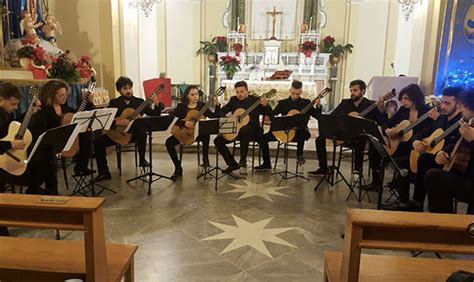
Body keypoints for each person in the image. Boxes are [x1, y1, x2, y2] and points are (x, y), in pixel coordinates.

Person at [395, 87, 464, 211]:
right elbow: (424, 132)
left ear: (459, 105)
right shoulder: (442, 118)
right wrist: (415, 141)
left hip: (447, 163)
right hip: (432, 158)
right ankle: (404, 199)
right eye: (442, 102)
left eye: (447, 103)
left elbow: (458, 145)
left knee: (424, 159)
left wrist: (444, 151)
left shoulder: (461, 123)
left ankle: (417, 202)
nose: (442, 106)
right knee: (402, 162)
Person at [28, 79, 94, 195]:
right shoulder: (43, 110)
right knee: (47, 159)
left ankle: (81, 167)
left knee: (86, 135)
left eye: (65, 94)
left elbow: (77, 114)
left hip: (62, 141)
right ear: (51, 95)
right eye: (61, 95)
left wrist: (88, 103)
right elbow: (40, 132)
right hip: (48, 144)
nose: (64, 97)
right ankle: (47, 190)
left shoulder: (64, 107)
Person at [94, 76, 164, 181]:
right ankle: (104, 172)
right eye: (125, 88)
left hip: (133, 136)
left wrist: (157, 103)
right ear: (119, 90)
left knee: (142, 128)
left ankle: (141, 159)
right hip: (117, 134)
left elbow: (155, 115)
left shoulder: (139, 102)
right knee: (97, 142)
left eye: (130, 88)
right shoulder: (114, 103)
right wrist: (118, 122)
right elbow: (106, 121)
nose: (128, 91)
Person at [310, 79, 386, 176]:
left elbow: (380, 120)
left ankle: (357, 169)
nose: (352, 93)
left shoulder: (370, 105)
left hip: (360, 137)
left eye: (355, 90)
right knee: (320, 140)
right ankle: (323, 168)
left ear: (363, 91)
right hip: (344, 134)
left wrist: (382, 110)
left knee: (360, 141)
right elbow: (332, 117)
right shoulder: (345, 103)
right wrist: (319, 107)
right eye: (351, 90)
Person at [426, 88, 474, 214]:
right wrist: (443, 152)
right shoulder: (469, 123)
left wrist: (473, 140)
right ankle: (445, 223)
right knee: (433, 176)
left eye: (464, 106)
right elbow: (455, 143)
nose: (461, 109)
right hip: (464, 174)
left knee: (434, 177)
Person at [255, 80, 321, 170]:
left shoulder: (306, 103)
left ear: (301, 92)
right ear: (290, 90)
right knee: (262, 139)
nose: (295, 96)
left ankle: (299, 155)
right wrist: (266, 105)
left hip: (298, 134)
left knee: (302, 131)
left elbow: (318, 116)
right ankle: (266, 163)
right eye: (293, 93)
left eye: (297, 94)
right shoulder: (283, 103)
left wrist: (318, 107)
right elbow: (272, 115)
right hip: (283, 132)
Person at [383, 84, 432, 203]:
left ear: (414, 98)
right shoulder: (403, 110)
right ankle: (402, 196)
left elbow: (429, 131)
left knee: (402, 163)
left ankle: (404, 199)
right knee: (386, 155)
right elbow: (387, 123)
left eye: (405, 98)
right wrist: (388, 130)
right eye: (401, 98)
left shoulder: (426, 112)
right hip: (400, 146)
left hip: (416, 148)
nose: (402, 101)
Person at [214, 80, 270, 174]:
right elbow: (221, 112)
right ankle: (232, 164)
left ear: (247, 91)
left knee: (245, 129)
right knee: (217, 140)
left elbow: (268, 113)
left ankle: (243, 160)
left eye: (242, 92)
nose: (239, 94)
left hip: (253, 130)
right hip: (236, 130)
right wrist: (219, 107)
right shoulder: (233, 100)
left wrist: (265, 105)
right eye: (237, 92)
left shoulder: (255, 100)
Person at [165, 86, 220, 180]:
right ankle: (178, 167)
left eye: (197, 94)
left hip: (198, 134)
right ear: (187, 96)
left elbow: (214, 116)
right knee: (169, 142)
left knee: (206, 134)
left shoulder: (202, 106)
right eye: (192, 94)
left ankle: (205, 160)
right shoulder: (181, 106)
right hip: (184, 132)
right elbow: (171, 118)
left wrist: (217, 105)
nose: (196, 97)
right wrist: (184, 123)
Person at [0, 83, 32, 236]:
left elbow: (9, 128)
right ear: (1, 100)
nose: (15, 108)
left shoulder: (5, 113)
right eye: (12, 104)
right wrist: (12, 144)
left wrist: (28, 114)